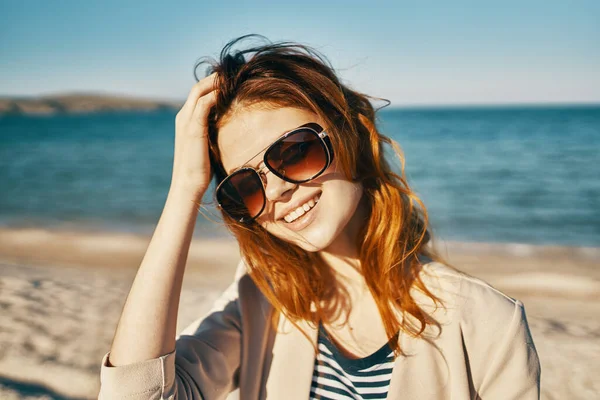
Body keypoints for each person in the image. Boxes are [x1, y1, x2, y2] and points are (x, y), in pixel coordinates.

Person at [98, 34, 541, 400]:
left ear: (348, 132)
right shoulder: (261, 302)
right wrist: (184, 190)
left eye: (294, 152)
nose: (277, 192)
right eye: (245, 187)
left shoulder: (486, 323)